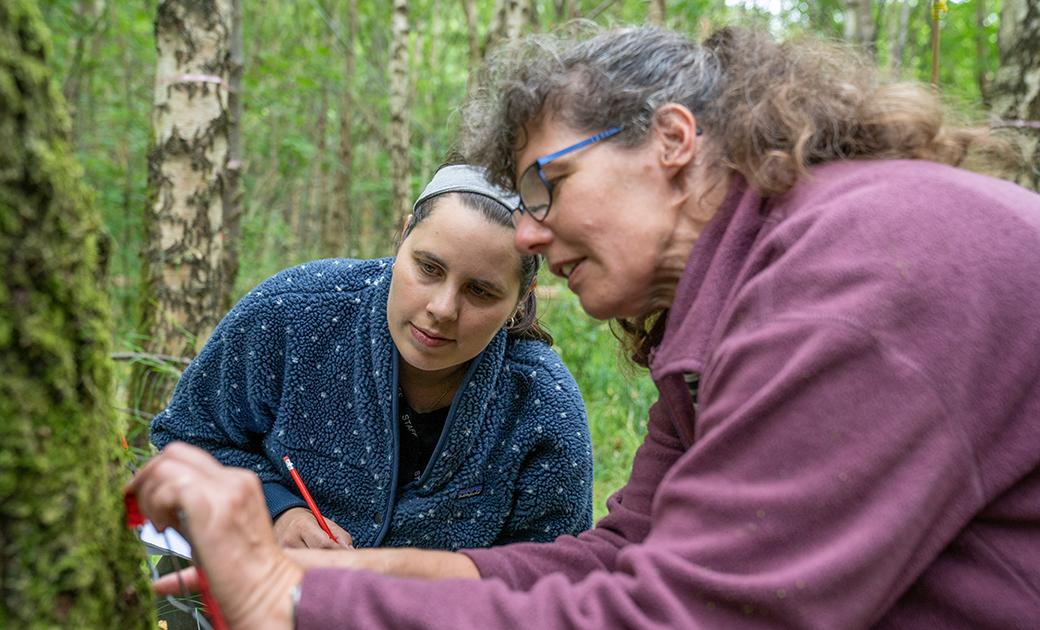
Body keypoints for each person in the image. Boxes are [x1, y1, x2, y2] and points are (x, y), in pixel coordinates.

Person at [130, 26, 1040, 628]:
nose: (526, 231)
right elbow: (618, 555)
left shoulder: (862, 268)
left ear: (673, 143)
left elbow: (691, 614)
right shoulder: (734, 303)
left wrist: (284, 602)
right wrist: (329, 575)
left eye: (545, 186)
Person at [149, 164, 594, 552]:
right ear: (402, 237)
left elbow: (551, 583)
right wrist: (276, 510)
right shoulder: (292, 313)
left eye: (480, 290)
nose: (442, 308)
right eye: (428, 268)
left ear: (521, 298)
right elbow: (184, 438)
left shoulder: (542, 408)